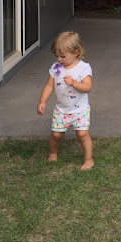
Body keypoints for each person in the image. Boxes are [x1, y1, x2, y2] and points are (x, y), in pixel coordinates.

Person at [37, 31, 94, 170]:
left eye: (63, 56)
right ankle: (52, 153)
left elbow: (87, 87)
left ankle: (88, 160)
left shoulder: (83, 68)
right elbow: (49, 86)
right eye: (56, 56)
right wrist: (42, 101)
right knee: (56, 135)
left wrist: (74, 83)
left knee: (82, 134)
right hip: (61, 110)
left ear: (76, 52)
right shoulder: (56, 68)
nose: (59, 59)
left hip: (80, 110)